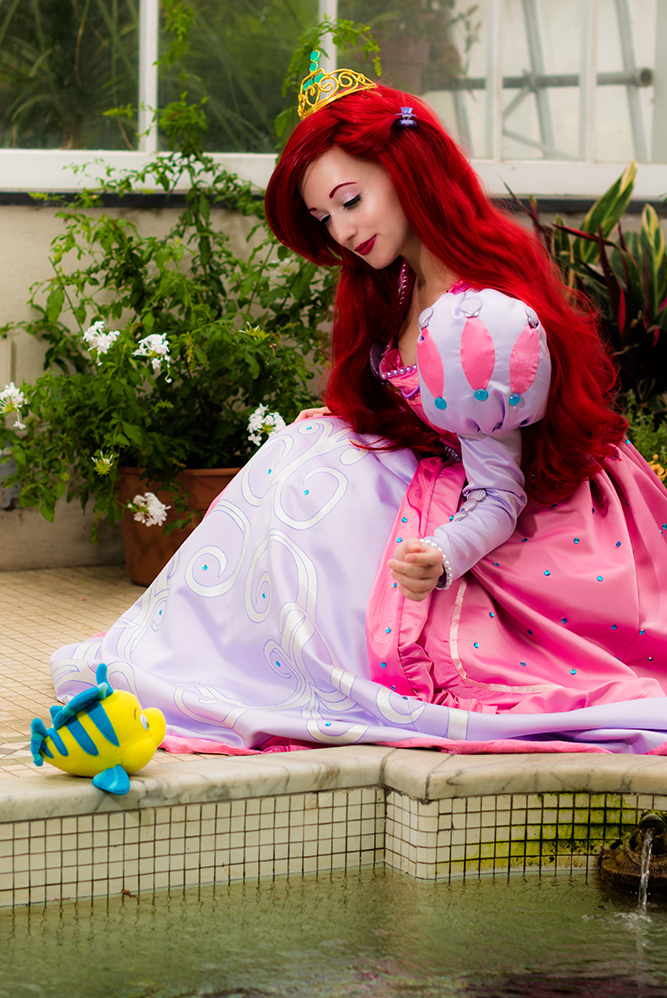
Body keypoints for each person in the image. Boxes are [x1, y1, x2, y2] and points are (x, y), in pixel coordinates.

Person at [51, 58, 667, 755]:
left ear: (407, 172)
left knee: (313, 488)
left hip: (527, 523)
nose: (341, 232)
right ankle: (214, 657)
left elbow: (499, 492)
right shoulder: (401, 283)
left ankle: (262, 669)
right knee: (303, 456)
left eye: (350, 201)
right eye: (325, 217)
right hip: (458, 481)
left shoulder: (474, 318)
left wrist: (444, 552)